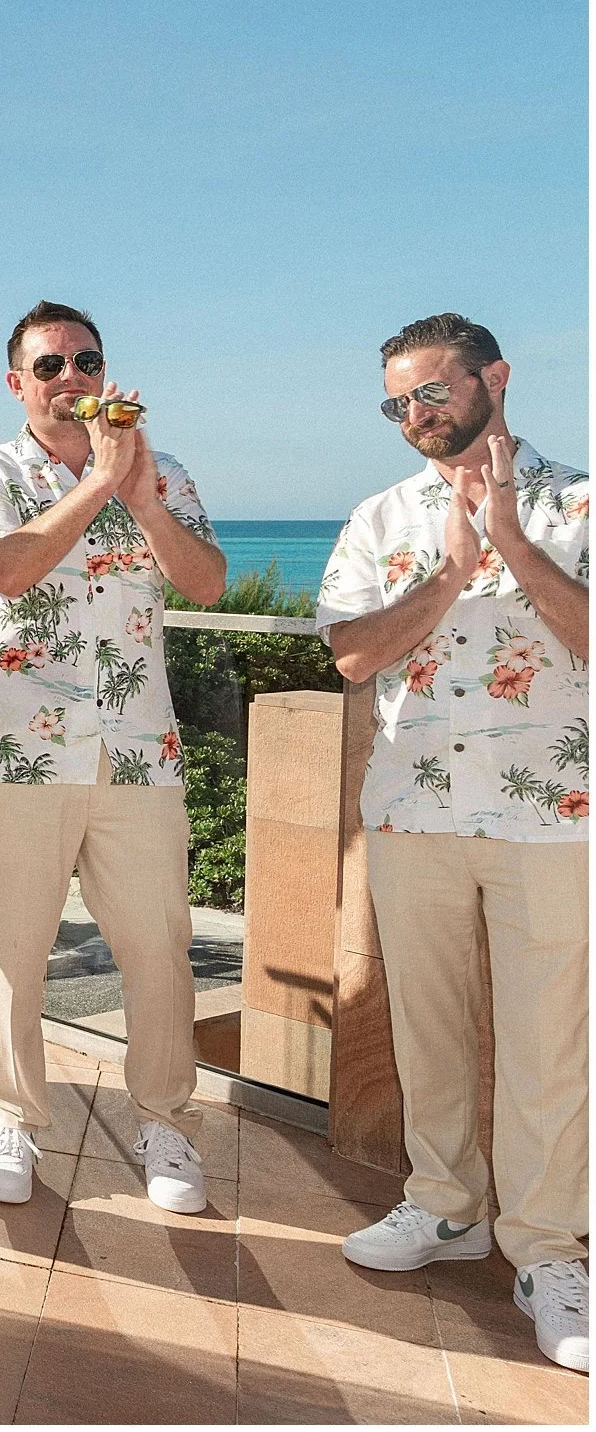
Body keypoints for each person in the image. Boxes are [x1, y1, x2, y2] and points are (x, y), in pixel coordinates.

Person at [319, 313, 588, 1374]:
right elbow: (351, 655)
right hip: (411, 808)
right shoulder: (379, 516)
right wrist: (447, 574)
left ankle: (549, 1251)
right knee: (425, 1027)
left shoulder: (579, 502)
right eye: (398, 402)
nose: (415, 414)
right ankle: (443, 1206)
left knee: (549, 1044)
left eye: (431, 391)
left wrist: (512, 543)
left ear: (494, 379)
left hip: (553, 814)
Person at [0, 300, 227, 1215]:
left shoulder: (163, 472)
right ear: (16, 383)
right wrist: (101, 483)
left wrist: (141, 497)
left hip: (138, 747)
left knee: (159, 946)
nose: (72, 378)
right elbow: (8, 568)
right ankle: (12, 1119)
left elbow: (208, 583)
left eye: (87, 362)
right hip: (20, 744)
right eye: (50, 365)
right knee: (14, 945)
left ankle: (164, 1123)